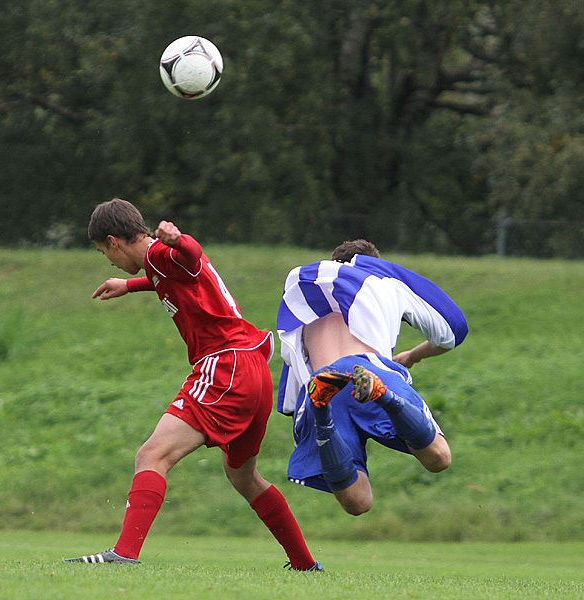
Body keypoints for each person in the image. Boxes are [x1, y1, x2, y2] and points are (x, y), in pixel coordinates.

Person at [64, 198, 321, 570]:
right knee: (243, 476)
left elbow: (191, 257)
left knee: (152, 455)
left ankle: (124, 555)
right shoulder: (157, 264)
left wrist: (179, 238)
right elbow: (181, 276)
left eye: (105, 252)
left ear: (113, 241)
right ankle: (305, 564)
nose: (108, 260)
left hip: (225, 367)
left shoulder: (159, 252)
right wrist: (130, 284)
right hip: (254, 369)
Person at [276, 239, 468, 515]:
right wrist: (413, 355)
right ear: (374, 259)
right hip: (369, 370)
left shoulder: (301, 285)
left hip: (321, 382)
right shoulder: (382, 275)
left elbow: (290, 402)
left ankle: (322, 411)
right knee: (439, 458)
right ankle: (386, 398)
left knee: (358, 502)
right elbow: (453, 329)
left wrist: (316, 409)